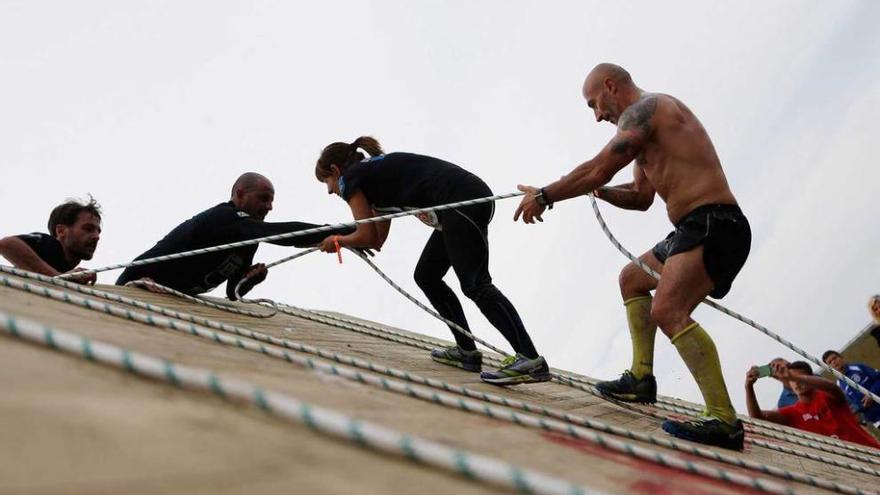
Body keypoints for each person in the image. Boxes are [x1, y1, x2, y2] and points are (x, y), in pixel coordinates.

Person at [513, 63, 750, 449]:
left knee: (668, 311)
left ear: (610, 86)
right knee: (632, 279)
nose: (597, 116)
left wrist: (545, 195)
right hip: (692, 228)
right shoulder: (643, 139)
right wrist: (598, 192)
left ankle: (724, 419)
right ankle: (642, 379)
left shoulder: (647, 110)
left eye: (595, 104)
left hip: (715, 222)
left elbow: (597, 168)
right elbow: (641, 198)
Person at [314, 137, 550, 385]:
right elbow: (376, 239)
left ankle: (530, 359)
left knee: (476, 284)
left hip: (459, 202)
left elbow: (367, 234)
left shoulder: (350, 178)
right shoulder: (373, 176)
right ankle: (467, 352)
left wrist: (337, 241)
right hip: (458, 204)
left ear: (335, 171)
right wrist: (350, 241)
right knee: (426, 276)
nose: (330, 190)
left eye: (326, 182)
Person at [117, 173, 351, 300]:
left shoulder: (248, 238)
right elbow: (279, 234)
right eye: (263, 198)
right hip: (138, 283)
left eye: (271, 201)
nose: (269, 207)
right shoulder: (225, 217)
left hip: (173, 296)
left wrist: (249, 281)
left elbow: (232, 292)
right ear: (240, 194)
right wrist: (341, 231)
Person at [745, 361, 880, 448]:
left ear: (810, 378)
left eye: (798, 378)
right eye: (791, 380)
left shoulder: (828, 395)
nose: (796, 383)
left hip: (869, 451)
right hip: (847, 468)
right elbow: (757, 417)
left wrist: (793, 376)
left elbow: (832, 387)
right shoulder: (790, 411)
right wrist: (749, 387)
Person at [0, 197, 102, 284]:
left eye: (98, 232)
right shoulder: (50, 244)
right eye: (88, 229)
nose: (96, 237)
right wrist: (58, 277)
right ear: (61, 231)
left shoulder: (65, 267)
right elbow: (7, 244)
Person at [823, 350, 880, 427]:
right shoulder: (839, 385)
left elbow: (878, 379)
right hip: (875, 418)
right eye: (830, 362)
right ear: (829, 368)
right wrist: (860, 407)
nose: (834, 362)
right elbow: (851, 404)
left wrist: (871, 394)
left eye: (835, 358)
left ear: (841, 357)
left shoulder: (858, 367)